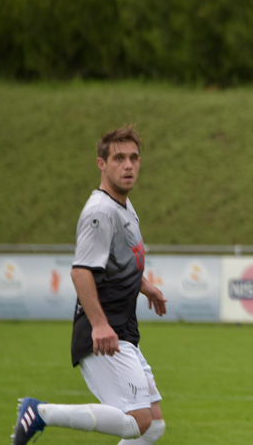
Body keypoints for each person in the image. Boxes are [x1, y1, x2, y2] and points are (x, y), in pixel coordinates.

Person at [11, 126, 169, 445]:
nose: (128, 165)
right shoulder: (100, 211)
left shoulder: (123, 206)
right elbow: (81, 272)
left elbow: (119, 263)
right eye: (119, 158)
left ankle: (41, 413)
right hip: (104, 331)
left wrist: (146, 286)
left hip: (122, 329)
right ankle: (40, 413)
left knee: (152, 425)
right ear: (101, 163)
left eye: (134, 158)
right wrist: (99, 325)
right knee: (138, 421)